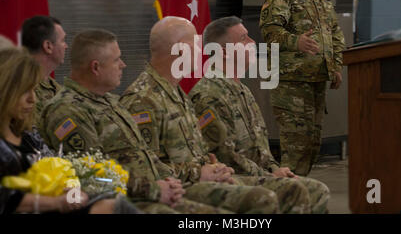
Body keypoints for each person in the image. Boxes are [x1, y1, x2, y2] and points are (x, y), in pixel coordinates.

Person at [40, 29, 276, 214]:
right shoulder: (67, 111)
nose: (123, 65)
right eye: (117, 60)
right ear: (95, 67)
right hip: (125, 202)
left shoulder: (110, 102)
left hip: (157, 189)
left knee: (262, 200)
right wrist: (159, 187)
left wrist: (173, 180)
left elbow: (146, 157)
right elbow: (92, 178)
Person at [120, 16, 313, 214]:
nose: (202, 51)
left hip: (199, 179)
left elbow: (199, 151)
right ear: (180, 49)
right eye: (196, 43)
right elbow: (145, 167)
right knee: (265, 198)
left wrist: (215, 167)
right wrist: (201, 172)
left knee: (296, 191)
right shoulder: (143, 100)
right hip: (177, 188)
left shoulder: (176, 93)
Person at [189, 16, 330, 213]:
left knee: (318, 190)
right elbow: (226, 156)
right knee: (300, 191)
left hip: (259, 175)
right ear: (223, 52)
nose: (253, 43)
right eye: (244, 39)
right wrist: (270, 175)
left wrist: (274, 169)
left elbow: (260, 146)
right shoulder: (209, 95)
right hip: (234, 178)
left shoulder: (242, 90)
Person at [0, 48, 140, 214]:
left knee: (115, 204)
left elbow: (60, 170)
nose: (33, 99)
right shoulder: (66, 108)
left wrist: (72, 190)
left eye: (33, 90)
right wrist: (57, 202)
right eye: (25, 91)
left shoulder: (29, 137)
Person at [259, 0, 346, 176]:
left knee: (311, 147)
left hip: (317, 81)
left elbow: (335, 32)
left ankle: (299, 200)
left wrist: (335, 65)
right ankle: (285, 201)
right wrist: (295, 41)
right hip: (292, 86)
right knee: (296, 151)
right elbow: (270, 32)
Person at [21, 16, 67, 121]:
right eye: (63, 40)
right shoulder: (20, 89)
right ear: (48, 46)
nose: (66, 46)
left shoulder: (57, 88)